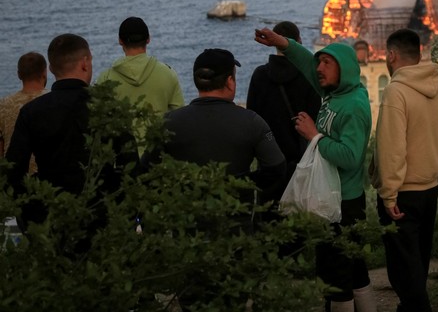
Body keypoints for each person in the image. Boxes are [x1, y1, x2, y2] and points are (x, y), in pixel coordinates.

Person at [253, 27, 386, 312]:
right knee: (355, 273)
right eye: (320, 62)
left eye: (327, 63)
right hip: (337, 199)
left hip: (342, 203)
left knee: (336, 279)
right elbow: (305, 63)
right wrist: (284, 43)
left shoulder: (353, 105)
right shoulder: (333, 94)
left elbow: (350, 156)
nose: (320, 69)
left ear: (343, 68)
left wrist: (314, 136)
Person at [5, 34, 137, 248]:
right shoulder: (108, 108)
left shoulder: (31, 112)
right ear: (85, 63)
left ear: (52, 68)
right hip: (103, 217)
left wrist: (33, 213)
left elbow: (13, 172)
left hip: (52, 217)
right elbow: (130, 166)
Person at [372, 28, 438, 312]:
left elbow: (391, 149)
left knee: (404, 272)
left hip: (403, 193)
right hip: (429, 189)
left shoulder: (396, 93)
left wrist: (389, 194)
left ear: (392, 56)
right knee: (416, 264)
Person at [149, 48, 287, 216]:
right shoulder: (252, 122)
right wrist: (242, 183)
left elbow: (147, 169)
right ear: (230, 82)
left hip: (187, 223)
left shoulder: (169, 122)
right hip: (236, 221)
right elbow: (276, 168)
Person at [246, 21, 321, 177]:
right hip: (301, 161)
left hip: (268, 159)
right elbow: (316, 117)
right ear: (298, 42)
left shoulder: (260, 75)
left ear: (274, 43)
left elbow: (251, 117)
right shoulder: (308, 78)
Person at [96, 16, 184, 115]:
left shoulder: (105, 78)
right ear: (148, 39)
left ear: (120, 41)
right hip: (157, 130)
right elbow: (180, 115)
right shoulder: (168, 74)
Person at [0, 52, 48, 172]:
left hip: (14, 176)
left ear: (19, 74)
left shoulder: (4, 104)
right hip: (48, 177)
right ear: (45, 72)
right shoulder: (54, 100)